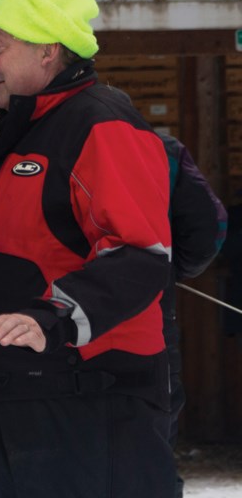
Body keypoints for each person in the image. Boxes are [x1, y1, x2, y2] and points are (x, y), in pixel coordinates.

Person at [0, 0, 177, 497]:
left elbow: (140, 255)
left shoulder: (101, 125)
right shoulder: (28, 133)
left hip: (93, 409)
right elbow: (21, 276)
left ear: (48, 50)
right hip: (30, 401)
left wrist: (53, 317)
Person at [159, 133, 227, 498]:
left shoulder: (43, 140)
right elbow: (209, 224)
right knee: (151, 443)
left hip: (50, 325)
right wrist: (171, 270)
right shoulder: (158, 147)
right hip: (146, 323)